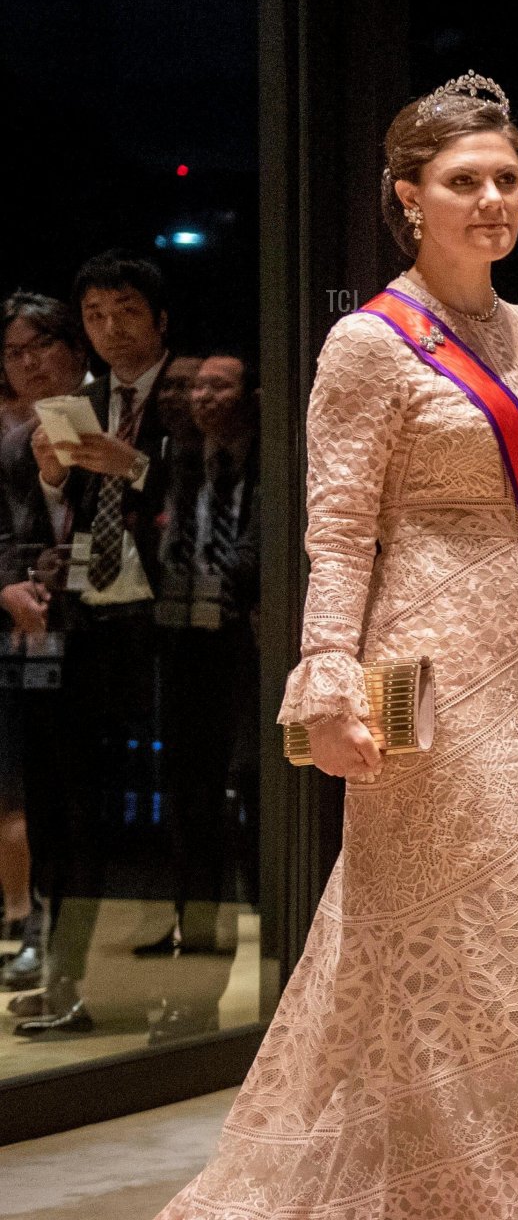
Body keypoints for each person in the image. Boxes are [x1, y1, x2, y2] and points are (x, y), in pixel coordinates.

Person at [12, 72, 518, 1220]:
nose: (491, 198)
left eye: (506, 177)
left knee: (498, 952)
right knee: (436, 947)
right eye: (463, 179)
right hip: (419, 671)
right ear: (406, 199)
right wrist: (324, 678)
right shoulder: (369, 344)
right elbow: (338, 532)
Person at [14, 254, 173, 1038]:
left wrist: (136, 463)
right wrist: (50, 478)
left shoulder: (188, 392)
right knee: (71, 808)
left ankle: (151, 979)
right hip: (87, 624)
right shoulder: (80, 401)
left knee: (155, 805)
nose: (111, 329)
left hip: (171, 622)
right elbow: (45, 511)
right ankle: (71, 976)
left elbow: (219, 491)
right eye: (97, 316)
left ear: (159, 319)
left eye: (126, 312)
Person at [145, 349, 262, 1041]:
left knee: (250, 786)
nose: (204, 398)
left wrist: (239, 582)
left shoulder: (271, 461)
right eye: (197, 389)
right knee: (187, 789)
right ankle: (198, 940)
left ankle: (270, 940)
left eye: (220, 386)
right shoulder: (176, 464)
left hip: (249, 643)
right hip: (182, 639)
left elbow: (261, 551)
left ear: (250, 394)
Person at [0, 293, 89, 990]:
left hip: (116, 627)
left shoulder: (118, 414)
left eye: (40, 347)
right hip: (36, 633)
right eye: (13, 352)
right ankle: (40, 931)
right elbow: (9, 537)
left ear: (73, 348)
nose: (27, 364)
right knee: (39, 787)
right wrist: (8, 587)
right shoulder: (10, 440)